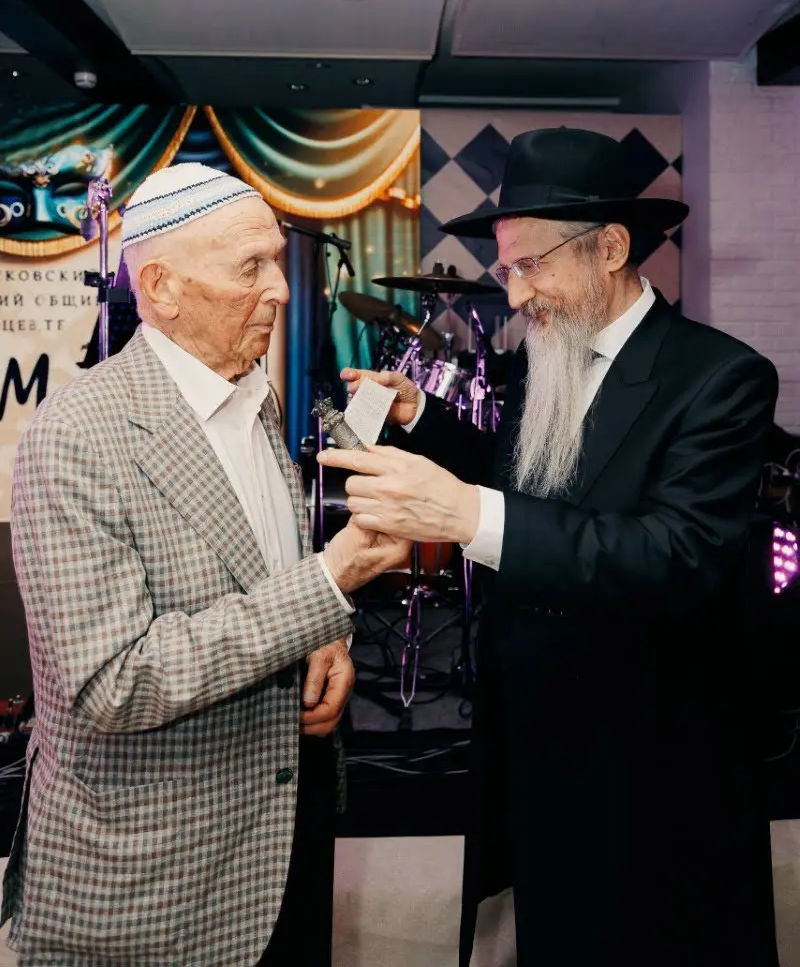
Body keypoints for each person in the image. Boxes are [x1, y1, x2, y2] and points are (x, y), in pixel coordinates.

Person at [320, 128, 781, 967]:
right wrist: (423, 419)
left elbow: (674, 555)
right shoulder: (546, 358)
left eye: (530, 265)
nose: (516, 293)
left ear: (610, 249)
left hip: (650, 753)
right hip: (536, 731)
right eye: (507, 271)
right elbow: (531, 480)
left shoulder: (721, 378)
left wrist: (468, 517)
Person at [2, 162, 410, 967]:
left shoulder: (257, 394)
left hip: (283, 838)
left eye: (275, 262)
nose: (281, 289)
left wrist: (325, 637)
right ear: (161, 288)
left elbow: (264, 567)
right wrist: (330, 581)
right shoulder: (77, 437)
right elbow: (114, 683)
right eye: (250, 267)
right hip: (154, 884)